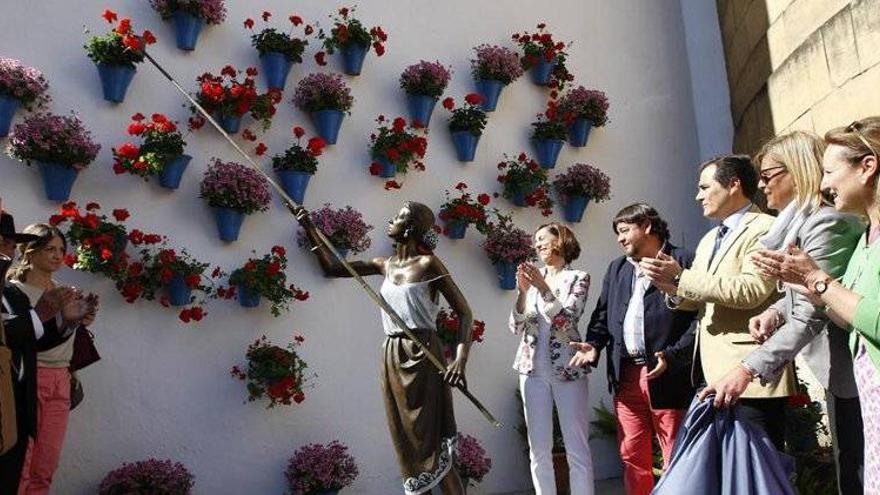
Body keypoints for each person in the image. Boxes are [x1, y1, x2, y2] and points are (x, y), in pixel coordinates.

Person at [702, 131, 864, 494]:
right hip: (837, 371)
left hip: (853, 369)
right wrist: (776, 312)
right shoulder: (796, 223)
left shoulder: (823, 222)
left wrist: (746, 369)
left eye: (767, 176)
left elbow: (813, 311)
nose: (761, 186)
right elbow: (809, 292)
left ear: (797, 170)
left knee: (857, 473)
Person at [295, 201, 471, 495]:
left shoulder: (428, 265)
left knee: (433, 447)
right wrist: (310, 227)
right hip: (393, 356)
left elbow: (465, 313)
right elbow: (332, 269)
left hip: (424, 354)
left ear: (411, 229)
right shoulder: (383, 265)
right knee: (408, 449)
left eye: (398, 217)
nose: (391, 219)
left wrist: (459, 361)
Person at [753, 117, 880, 492]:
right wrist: (801, 290)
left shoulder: (830, 222)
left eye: (830, 172)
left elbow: (868, 316)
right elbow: (846, 311)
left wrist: (816, 280)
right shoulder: (865, 237)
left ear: (867, 167)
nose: (824, 184)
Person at [640, 154, 795, 452]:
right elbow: (697, 298)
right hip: (709, 374)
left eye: (704, 187)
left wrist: (680, 277)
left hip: (751, 375)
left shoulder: (766, 228)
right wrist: (671, 288)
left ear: (734, 184)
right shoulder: (710, 238)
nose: (698, 197)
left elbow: (751, 291)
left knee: (758, 468)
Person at [569, 203, 697, 495]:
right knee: (631, 455)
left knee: (676, 453)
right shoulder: (617, 268)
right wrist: (594, 344)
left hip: (668, 373)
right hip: (625, 375)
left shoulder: (683, 260)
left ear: (647, 226)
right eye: (618, 232)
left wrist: (675, 354)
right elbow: (602, 315)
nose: (620, 238)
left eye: (625, 230)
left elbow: (700, 319)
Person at [11, 223, 96, 495]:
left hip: (61, 380)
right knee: (20, 466)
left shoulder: (66, 291)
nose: (58, 255)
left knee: (46, 466)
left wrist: (80, 321)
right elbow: (21, 338)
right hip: (27, 379)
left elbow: (62, 336)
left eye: (61, 249)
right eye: (50, 248)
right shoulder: (14, 292)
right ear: (30, 251)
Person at [510, 222, 594, 495]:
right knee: (538, 449)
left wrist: (543, 288)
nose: (537, 245)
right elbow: (515, 326)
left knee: (576, 447)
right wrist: (523, 292)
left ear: (560, 241)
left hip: (568, 369)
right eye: (535, 241)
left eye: (542, 239)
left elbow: (567, 322)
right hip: (531, 371)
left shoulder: (578, 277)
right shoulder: (532, 281)